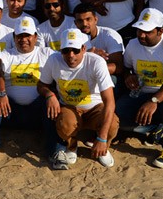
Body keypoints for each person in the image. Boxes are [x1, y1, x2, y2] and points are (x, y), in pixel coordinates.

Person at [116, 9, 163, 169]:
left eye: (147, 32)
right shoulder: (133, 44)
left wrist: (154, 101)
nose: (142, 35)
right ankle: (160, 126)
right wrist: (127, 76)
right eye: (139, 30)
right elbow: (126, 68)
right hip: (143, 93)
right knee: (116, 116)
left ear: (160, 31)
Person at [0, 17, 54, 167]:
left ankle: (56, 151)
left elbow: (67, 65)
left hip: (38, 110)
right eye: (20, 36)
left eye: (27, 35)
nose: (24, 39)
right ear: (14, 37)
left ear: (35, 36)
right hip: (10, 110)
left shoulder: (47, 53)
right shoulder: (6, 54)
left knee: (53, 102)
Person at [37, 28, 119, 170]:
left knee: (112, 123)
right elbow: (42, 84)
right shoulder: (53, 60)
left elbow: (109, 101)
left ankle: (103, 146)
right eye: (66, 50)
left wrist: (102, 138)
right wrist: (49, 95)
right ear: (60, 50)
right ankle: (72, 145)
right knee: (65, 123)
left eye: (75, 50)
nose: (71, 55)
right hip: (69, 106)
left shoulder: (96, 62)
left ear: (83, 48)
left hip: (95, 107)